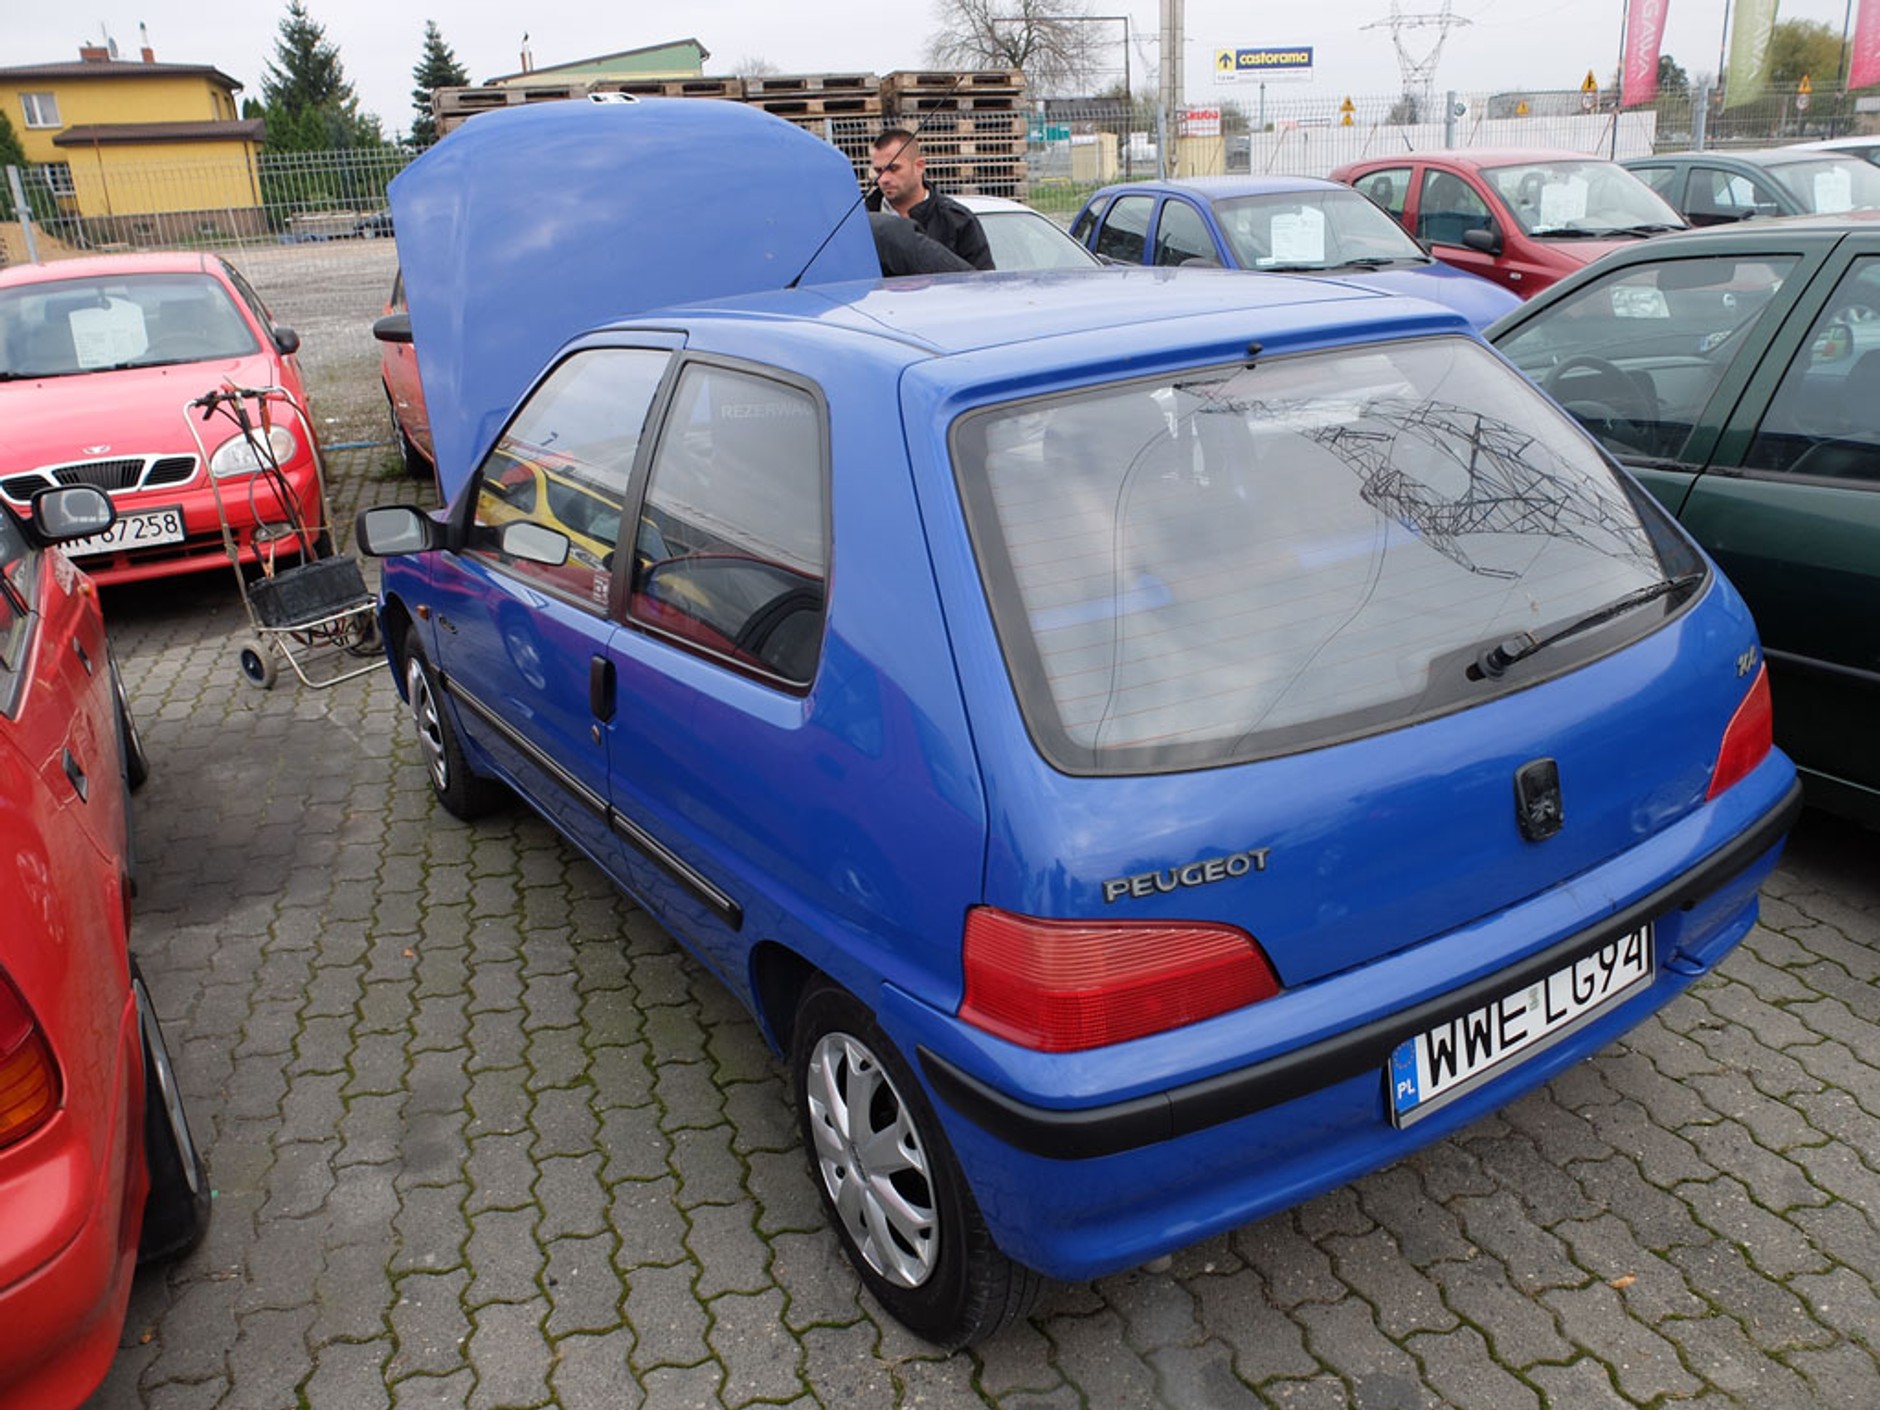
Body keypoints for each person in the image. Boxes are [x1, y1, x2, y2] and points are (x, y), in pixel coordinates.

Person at [865, 128, 994, 271]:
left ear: (919, 166)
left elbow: (984, 281)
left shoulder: (958, 221)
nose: (884, 179)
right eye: (878, 171)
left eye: (893, 168)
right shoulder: (861, 221)